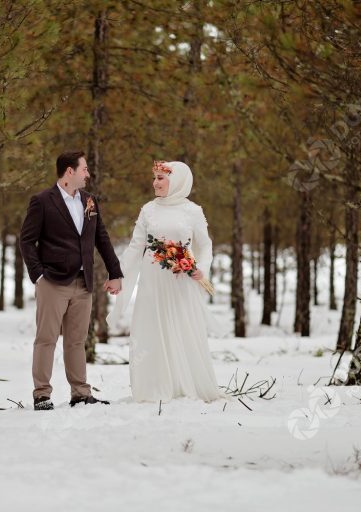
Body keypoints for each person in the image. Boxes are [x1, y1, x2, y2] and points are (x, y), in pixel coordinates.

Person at [107, 161, 227, 402]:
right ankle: (155, 386)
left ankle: (185, 384)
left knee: (181, 327)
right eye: (155, 178)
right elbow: (134, 247)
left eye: (161, 178)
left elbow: (205, 246)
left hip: (182, 282)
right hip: (153, 281)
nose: (155, 183)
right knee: (152, 328)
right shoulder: (148, 210)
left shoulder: (192, 211)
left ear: (177, 181)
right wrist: (116, 274)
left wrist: (201, 270)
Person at [19, 150, 123, 411]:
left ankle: (80, 393)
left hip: (83, 283)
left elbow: (102, 238)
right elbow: (27, 240)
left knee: (77, 341)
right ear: (70, 171)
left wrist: (115, 272)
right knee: (47, 339)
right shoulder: (42, 200)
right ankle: (42, 394)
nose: (88, 174)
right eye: (84, 169)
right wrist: (38, 275)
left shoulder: (89, 201)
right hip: (52, 282)